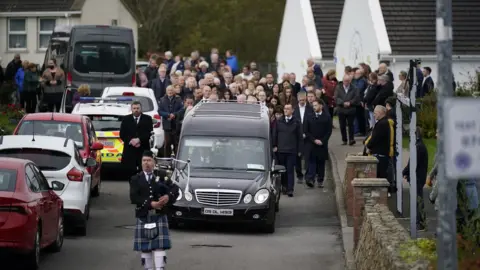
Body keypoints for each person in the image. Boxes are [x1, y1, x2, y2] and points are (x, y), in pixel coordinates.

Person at [130, 150, 179, 270]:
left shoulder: (162, 176)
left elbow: (175, 189)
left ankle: (160, 268)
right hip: (143, 216)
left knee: (159, 247)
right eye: (144, 160)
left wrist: (168, 197)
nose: (146, 163)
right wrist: (151, 204)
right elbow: (134, 197)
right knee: (145, 248)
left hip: (159, 215)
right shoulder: (135, 179)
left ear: (154, 162)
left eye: (149, 160)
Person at [272, 104, 302, 197]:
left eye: (288, 109)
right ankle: (284, 186)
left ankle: (290, 189)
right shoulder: (279, 121)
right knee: (282, 170)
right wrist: (274, 145)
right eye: (285, 109)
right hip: (281, 150)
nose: (285, 110)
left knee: (290, 170)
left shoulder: (296, 122)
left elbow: (300, 137)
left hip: (292, 150)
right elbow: (274, 134)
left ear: (292, 110)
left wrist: (300, 150)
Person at [402, 127, 428, 231]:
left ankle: (419, 223)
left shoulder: (418, 147)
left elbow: (413, 163)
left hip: (417, 177)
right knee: (418, 200)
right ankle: (420, 222)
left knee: (417, 200)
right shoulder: (419, 146)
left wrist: (405, 172)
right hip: (419, 177)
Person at [120, 101, 153, 176]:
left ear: (141, 109)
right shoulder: (126, 119)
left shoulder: (147, 119)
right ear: (131, 109)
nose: (136, 110)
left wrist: (139, 140)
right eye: (134, 108)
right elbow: (122, 134)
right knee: (130, 172)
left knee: (143, 171)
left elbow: (149, 133)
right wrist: (131, 141)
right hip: (130, 150)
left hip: (143, 148)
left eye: (138, 108)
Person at [304, 100, 332, 188]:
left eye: (316, 105)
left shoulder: (327, 117)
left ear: (321, 106)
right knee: (311, 161)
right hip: (312, 143)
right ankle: (310, 179)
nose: (314, 107)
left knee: (321, 162)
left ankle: (320, 180)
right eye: (313, 105)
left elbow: (329, 131)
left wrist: (322, 141)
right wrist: (313, 140)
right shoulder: (309, 116)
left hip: (322, 144)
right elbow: (306, 130)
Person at [365, 106, 390, 180]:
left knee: (378, 177)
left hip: (379, 154)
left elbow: (374, 138)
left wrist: (368, 146)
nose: (374, 115)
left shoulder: (381, 124)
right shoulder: (385, 122)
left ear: (380, 113)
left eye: (375, 113)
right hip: (383, 154)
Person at [293, 91, 313, 183]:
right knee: (297, 158)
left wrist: (306, 133)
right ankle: (299, 175)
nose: (302, 101)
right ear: (297, 99)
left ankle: (308, 176)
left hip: (307, 137)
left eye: (304, 100)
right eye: (300, 100)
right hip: (297, 138)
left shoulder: (310, 109)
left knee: (308, 157)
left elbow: (312, 123)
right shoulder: (294, 109)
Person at [158, 85, 183, 157]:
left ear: (174, 91)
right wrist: (168, 115)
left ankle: (177, 158)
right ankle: (167, 159)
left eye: (171, 90)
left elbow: (182, 109)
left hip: (176, 125)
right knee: (167, 143)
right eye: (168, 90)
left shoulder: (178, 99)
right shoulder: (162, 100)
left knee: (176, 143)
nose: (170, 92)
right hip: (167, 125)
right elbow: (159, 111)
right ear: (166, 91)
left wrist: (174, 115)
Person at [334, 75, 359, 145]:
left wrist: (350, 103)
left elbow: (356, 97)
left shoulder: (354, 88)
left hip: (351, 109)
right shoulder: (338, 87)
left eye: (348, 81)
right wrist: (343, 103)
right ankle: (344, 140)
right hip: (341, 109)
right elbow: (336, 97)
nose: (346, 82)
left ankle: (351, 139)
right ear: (343, 80)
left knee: (351, 125)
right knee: (342, 125)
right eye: (345, 81)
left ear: (350, 81)